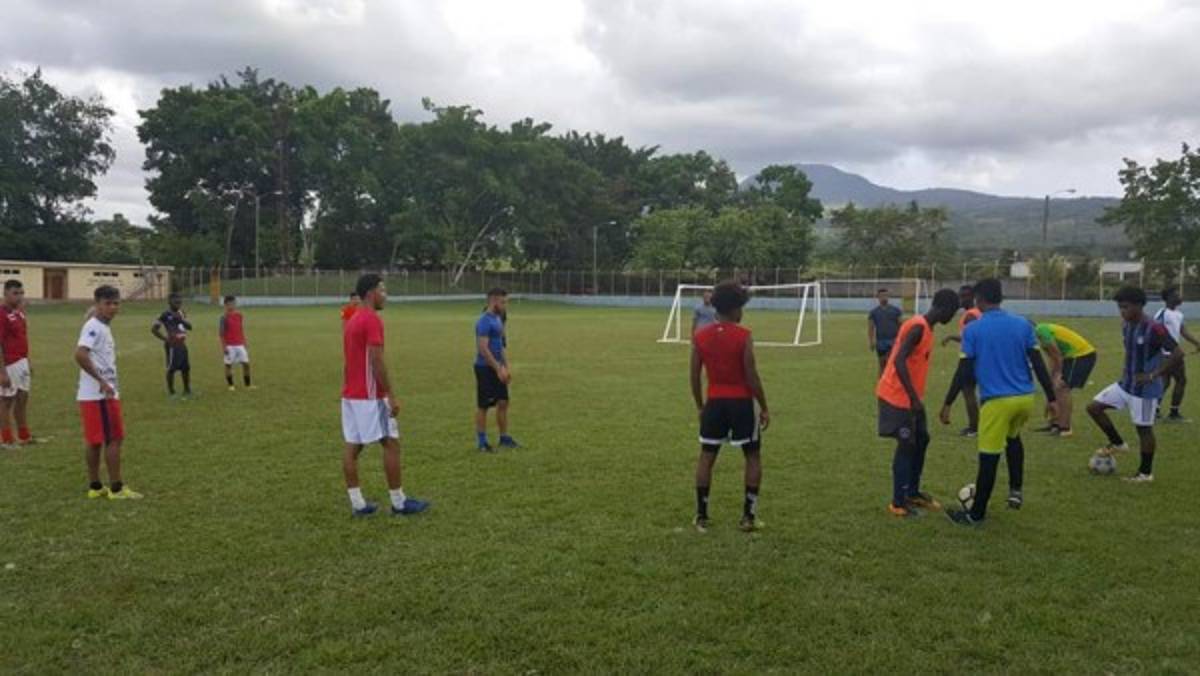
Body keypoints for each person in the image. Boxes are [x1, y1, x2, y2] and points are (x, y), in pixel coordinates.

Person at [942, 279, 1058, 526]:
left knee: (989, 457)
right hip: (1025, 399)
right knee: (1013, 439)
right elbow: (1038, 363)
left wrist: (948, 402)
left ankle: (976, 515)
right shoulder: (1022, 324)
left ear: (979, 300)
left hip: (997, 402)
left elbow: (964, 371)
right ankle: (1016, 491)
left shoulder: (973, 330)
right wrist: (1052, 398)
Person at [340, 274, 429, 517]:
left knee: (352, 447)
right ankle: (399, 503)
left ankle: (358, 505)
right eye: (382, 289)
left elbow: (349, 360)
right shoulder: (371, 319)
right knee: (391, 443)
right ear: (371, 293)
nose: (385, 294)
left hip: (350, 394)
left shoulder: (353, 319)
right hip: (370, 395)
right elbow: (376, 360)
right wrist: (389, 393)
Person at [690, 281, 771, 533]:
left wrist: (700, 406)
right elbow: (751, 375)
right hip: (741, 403)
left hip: (714, 402)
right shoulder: (743, 335)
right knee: (753, 456)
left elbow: (693, 375)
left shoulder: (700, 336)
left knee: (707, 456)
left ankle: (702, 515)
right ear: (735, 308)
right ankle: (748, 517)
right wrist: (764, 406)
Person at [876, 289, 961, 517]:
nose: (953, 317)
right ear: (943, 308)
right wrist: (913, 397)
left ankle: (912, 492)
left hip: (911, 398)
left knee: (922, 439)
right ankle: (898, 502)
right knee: (906, 445)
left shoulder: (928, 328)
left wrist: (915, 398)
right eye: (953, 312)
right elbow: (900, 361)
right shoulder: (918, 327)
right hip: (897, 397)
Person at [1086, 286, 1184, 483]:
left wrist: (1153, 374)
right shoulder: (1126, 325)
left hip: (1145, 391)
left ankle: (1145, 473)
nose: (1122, 311)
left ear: (1139, 306)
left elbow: (1177, 353)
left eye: (1126, 307)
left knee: (1144, 430)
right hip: (1125, 384)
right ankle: (1118, 443)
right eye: (1120, 307)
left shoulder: (1154, 327)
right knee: (1094, 407)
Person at [75, 286, 141, 499]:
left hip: (92, 394)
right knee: (114, 438)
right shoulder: (94, 327)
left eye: (116, 303)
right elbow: (80, 354)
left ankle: (95, 487)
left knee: (95, 440)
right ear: (97, 304)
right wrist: (102, 381)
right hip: (100, 395)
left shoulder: (99, 325)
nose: (113, 307)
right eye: (108, 303)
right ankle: (116, 488)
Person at [1031, 322, 1097, 436]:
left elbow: (1057, 357)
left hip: (1081, 355)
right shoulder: (1040, 337)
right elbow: (1052, 358)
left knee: (1061, 387)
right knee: (1055, 387)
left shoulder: (1041, 331)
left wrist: (1058, 375)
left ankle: (1065, 428)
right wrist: (1051, 379)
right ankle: (1055, 424)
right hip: (1070, 357)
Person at [475, 288, 519, 452]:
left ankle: (504, 437)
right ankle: (482, 442)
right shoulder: (484, 321)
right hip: (484, 368)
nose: (505, 305)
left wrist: (506, 367)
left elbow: (500, 347)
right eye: (503, 302)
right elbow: (483, 349)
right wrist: (497, 368)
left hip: (498, 367)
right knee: (484, 405)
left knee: (503, 402)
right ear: (493, 301)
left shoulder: (498, 320)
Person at [1153, 286, 1200, 421]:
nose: (1179, 296)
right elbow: (1155, 331)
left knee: (1165, 382)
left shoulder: (1178, 314)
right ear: (1168, 298)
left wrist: (1197, 343)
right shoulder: (1162, 313)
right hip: (1167, 354)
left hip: (1173, 353)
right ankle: (1173, 413)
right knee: (1180, 380)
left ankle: (1155, 410)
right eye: (1176, 294)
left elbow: (1183, 331)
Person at [940, 285, 982, 436]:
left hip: (971, 359)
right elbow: (969, 337)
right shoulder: (977, 313)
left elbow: (972, 339)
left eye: (965, 296)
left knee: (968, 391)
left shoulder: (970, 315)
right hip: (980, 358)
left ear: (973, 297)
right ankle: (976, 426)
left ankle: (974, 427)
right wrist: (952, 337)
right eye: (960, 296)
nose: (961, 299)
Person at [1, 280, 35, 448]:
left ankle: (24, 436)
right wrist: (2, 372)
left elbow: (22, 338)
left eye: (21, 293)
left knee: (22, 399)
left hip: (21, 362)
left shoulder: (19, 313)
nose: (20, 296)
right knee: (6, 401)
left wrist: (28, 360)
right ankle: (6, 439)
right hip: (9, 363)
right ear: (5, 294)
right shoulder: (1, 314)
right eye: (15, 293)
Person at [152, 293, 193, 398]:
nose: (179, 304)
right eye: (176, 302)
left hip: (182, 344)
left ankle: (187, 390)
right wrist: (165, 339)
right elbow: (154, 329)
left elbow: (190, 327)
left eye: (180, 302)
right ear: (169, 302)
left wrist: (181, 320)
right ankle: (171, 392)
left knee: (186, 368)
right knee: (171, 368)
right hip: (172, 346)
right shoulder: (165, 314)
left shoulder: (181, 313)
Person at [219, 296, 254, 391]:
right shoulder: (223, 318)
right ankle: (231, 385)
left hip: (240, 344)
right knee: (228, 365)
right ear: (225, 305)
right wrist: (224, 347)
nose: (232, 306)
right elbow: (221, 334)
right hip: (230, 346)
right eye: (230, 304)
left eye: (233, 303)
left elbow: (240, 329)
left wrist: (244, 342)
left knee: (246, 364)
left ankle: (248, 385)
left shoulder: (239, 315)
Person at [867, 288, 903, 374]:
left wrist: (901, 339)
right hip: (881, 342)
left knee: (894, 364)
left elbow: (901, 326)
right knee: (882, 364)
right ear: (878, 297)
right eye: (882, 296)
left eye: (886, 295)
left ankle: (892, 384)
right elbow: (870, 328)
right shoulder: (874, 312)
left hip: (894, 341)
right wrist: (871, 341)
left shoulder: (896, 310)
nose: (884, 297)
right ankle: (881, 384)